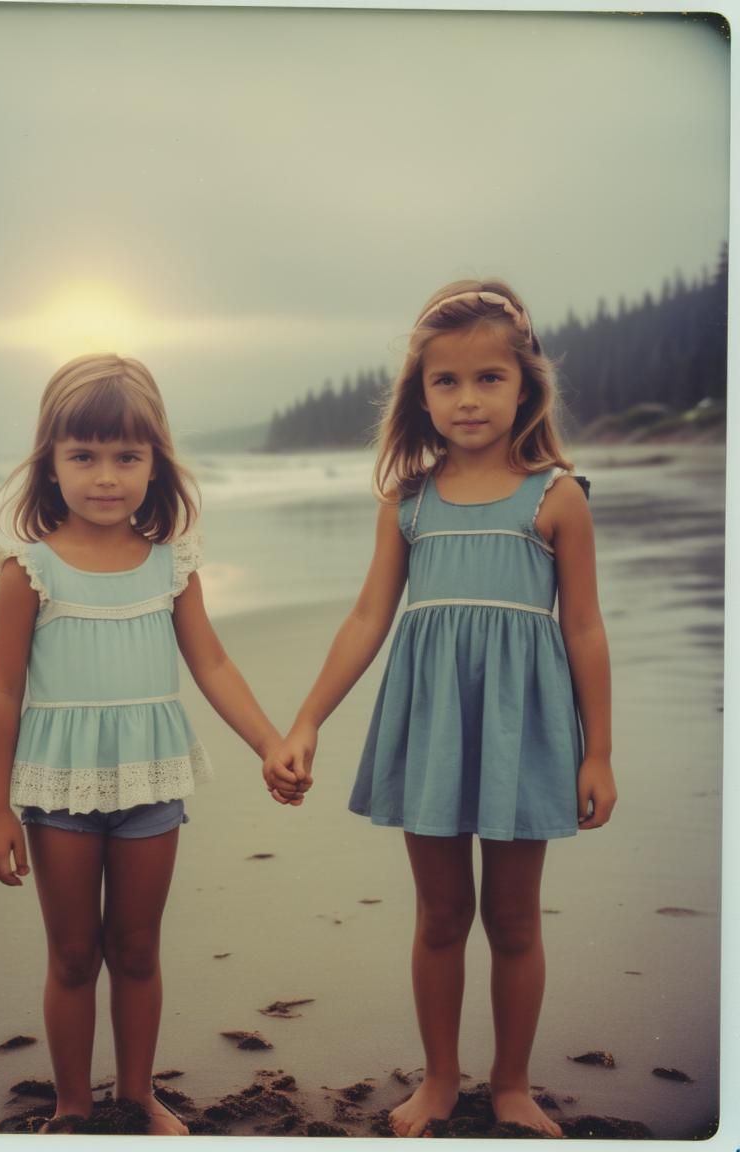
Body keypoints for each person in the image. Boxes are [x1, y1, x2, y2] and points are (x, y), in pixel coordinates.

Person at [264, 280, 616, 1137]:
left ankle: (512, 1084)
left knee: (516, 920)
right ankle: (439, 1080)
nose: (468, 398)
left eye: (489, 378)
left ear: (526, 385)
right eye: (447, 381)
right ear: (419, 396)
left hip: (523, 733)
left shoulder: (556, 497)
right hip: (431, 731)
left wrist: (598, 752)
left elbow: (585, 629)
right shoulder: (409, 502)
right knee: (441, 917)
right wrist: (306, 719)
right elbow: (367, 619)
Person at [0, 353, 295, 1134]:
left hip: (151, 782)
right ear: (50, 465)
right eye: (83, 456)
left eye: (128, 456)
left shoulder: (172, 564)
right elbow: (2, 693)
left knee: (138, 949)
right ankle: (72, 1104)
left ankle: (137, 1094)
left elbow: (212, 662)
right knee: (72, 956)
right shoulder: (30, 570)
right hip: (57, 792)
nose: (106, 476)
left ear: (156, 464)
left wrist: (268, 740)